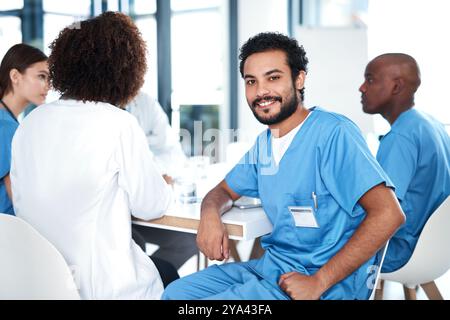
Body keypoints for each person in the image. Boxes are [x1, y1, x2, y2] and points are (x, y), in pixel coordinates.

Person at [162, 32, 405, 300]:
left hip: (323, 284)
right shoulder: (266, 144)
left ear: (299, 79)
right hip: (272, 271)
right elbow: (223, 190)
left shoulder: (333, 134)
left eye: (273, 78)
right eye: (251, 81)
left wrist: (319, 282)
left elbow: (389, 214)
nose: (261, 91)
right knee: (176, 293)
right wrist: (209, 214)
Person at [11, 12, 178, 299]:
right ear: (126, 70)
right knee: (171, 277)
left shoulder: (30, 123)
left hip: (41, 282)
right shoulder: (117, 123)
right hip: (104, 288)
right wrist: (166, 184)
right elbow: (151, 206)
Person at [360, 53, 450, 273]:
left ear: (396, 86)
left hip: (398, 251)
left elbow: (382, 213)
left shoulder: (401, 137)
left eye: (370, 79)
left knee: (303, 243)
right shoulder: (432, 125)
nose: (362, 88)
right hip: (436, 250)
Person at [126, 92, 198, 270]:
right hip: (117, 216)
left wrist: (159, 175)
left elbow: (171, 149)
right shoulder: (102, 115)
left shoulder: (144, 102)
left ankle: (149, 282)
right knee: (136, 244)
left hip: (143, 208)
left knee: (190, 239)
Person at [0, 44, 49, 216]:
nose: (48, 86)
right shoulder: (7, 128)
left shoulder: (8, 123)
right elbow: (21, 203)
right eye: (42, 76)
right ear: (15, 76)